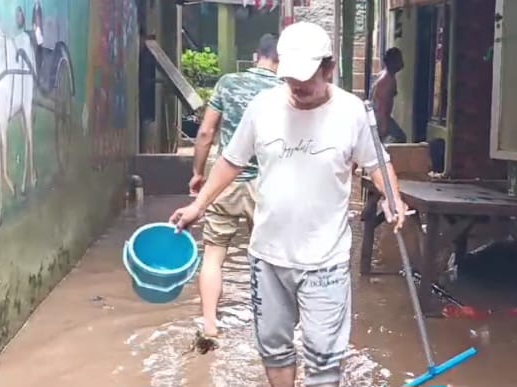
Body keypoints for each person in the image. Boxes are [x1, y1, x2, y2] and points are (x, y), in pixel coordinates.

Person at [170, 22, 407, 387]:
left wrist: (393, 199)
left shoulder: (351, 112)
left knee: (325, 361)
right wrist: (199, 205)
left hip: (326, 261)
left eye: (306, 82)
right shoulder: (262, 107)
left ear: (328, 70)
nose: (297, 90)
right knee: (275, 350)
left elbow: (378, 164)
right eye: (290, 81)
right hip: (268, 258)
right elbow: (232, 161)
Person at [189, 33, 283, 344]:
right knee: (270, 259)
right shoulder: (285, 90)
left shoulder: (228, 83)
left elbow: (205, 132)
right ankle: (269, 328)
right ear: (280, 60)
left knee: (214, 256)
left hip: (225, 181)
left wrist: (198, 173)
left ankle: (210, 325)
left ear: (257, 55)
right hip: (267, 186)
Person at [371, 47, 407, 143]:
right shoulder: (386, 80)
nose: (401, 62)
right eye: (399, 59)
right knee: (400, 138)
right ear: (393, 62)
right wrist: (383, 127)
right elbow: (381, 106)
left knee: (400, 138)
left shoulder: (389, 76)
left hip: (382, 116)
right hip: (380, 117)